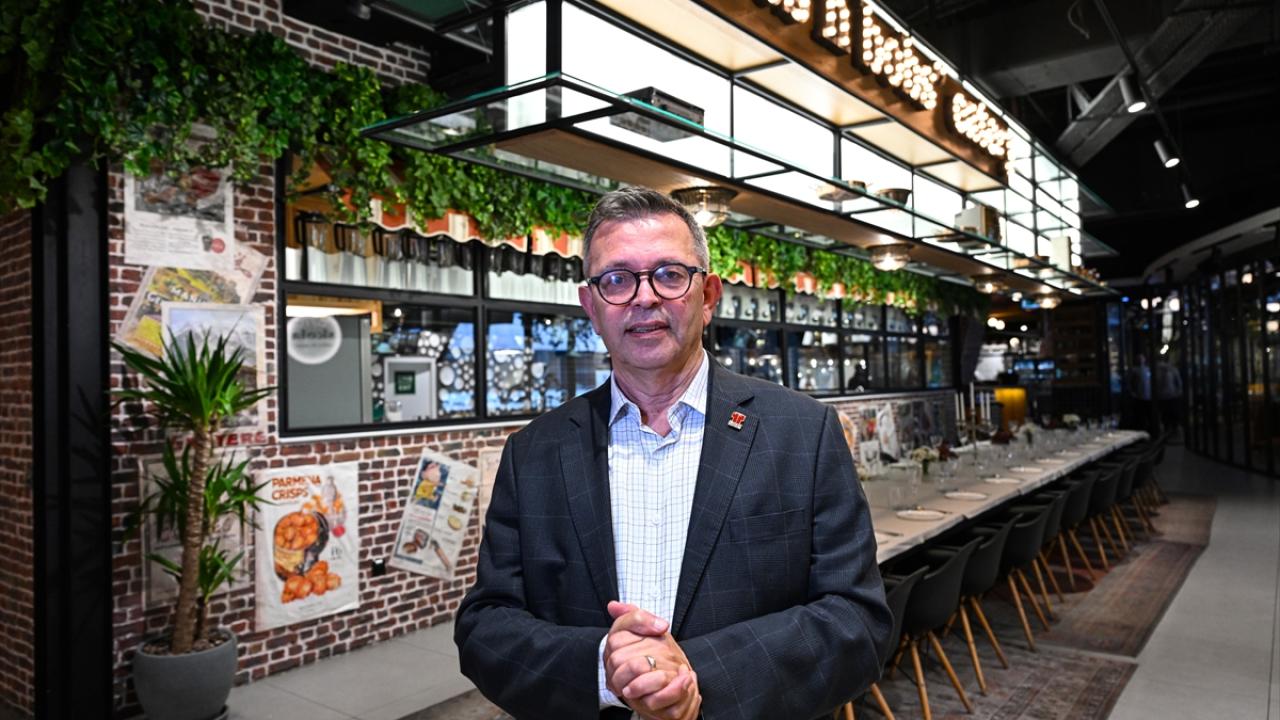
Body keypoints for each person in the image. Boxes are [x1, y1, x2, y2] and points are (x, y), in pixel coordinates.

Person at [455, 188, 892, 719]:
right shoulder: (534, 454)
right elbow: (485, 626)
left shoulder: (804, 433)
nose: (643, 298)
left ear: (708, 296)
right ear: (591, 307)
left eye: (668, 274)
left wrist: (693, 676)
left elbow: (857, 620)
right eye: (617, 279)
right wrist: (604, 670)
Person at [1155, 356, 1183, 438]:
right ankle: (1171, 429)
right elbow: (1178, 383)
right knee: (1170, 414)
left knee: (1167, 414)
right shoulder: (1172, 369)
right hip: (1169, 395)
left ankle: (1170, 429)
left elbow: (1178, 383)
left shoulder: (1157, 370)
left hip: (1166, 396)